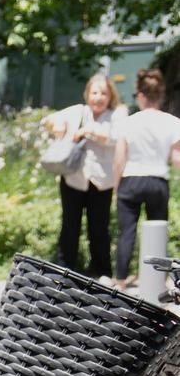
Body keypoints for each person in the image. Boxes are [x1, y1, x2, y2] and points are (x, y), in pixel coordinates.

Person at [41, 74, 126, 278]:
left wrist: (90, 131)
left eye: (103, 93)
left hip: (101, 181)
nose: (98, 97)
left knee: (99, 228)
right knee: (70, 225)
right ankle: (65, 268)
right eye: (94, 92)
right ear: (87, 94)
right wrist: (57, 123)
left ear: (110, 96)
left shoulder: (116, 115)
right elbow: (47, 120)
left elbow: (115, 138)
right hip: (73, 178)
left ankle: (101, 270)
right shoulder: (77, 111)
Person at [113, 68, 180, 288]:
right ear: (160, 95)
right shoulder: (172, 122)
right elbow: (176, 157)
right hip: (158, 181)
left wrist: (116, 187)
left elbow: (119, 159)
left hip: (131, 179)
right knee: (158, 231)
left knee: (127, 233)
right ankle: (157, 279)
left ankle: (121, 280)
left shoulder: (129, 122)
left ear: (140, 95)